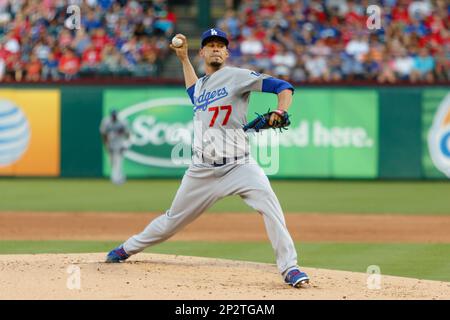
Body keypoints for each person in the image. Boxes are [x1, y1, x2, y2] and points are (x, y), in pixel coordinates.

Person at [105, 28, 310, 288]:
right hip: (201, 170)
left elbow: (283, 86)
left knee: (270, 207)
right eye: (210, 45)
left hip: (239, 165)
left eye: (220, 45)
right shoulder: (201, 86)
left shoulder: (237, 76)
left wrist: (281, 109)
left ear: (226, 52)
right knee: (171, 222)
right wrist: (183, 59)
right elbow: (194, 93)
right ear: (202, 52)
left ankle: (290, 268)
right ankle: (126, 248)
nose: (215, 48)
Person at [99, 109, 130, 185]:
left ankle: (116, 178)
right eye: (113, 115)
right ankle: (119, 177)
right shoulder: (106, 122)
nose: (114, 117)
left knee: (119, 161)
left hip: (120, 144)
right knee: (112, 162)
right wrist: (106, 145)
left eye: (115, 115)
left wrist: (126, 144)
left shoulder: (122, 122)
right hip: (111, 144)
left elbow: (128, 134)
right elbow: (103, 134)